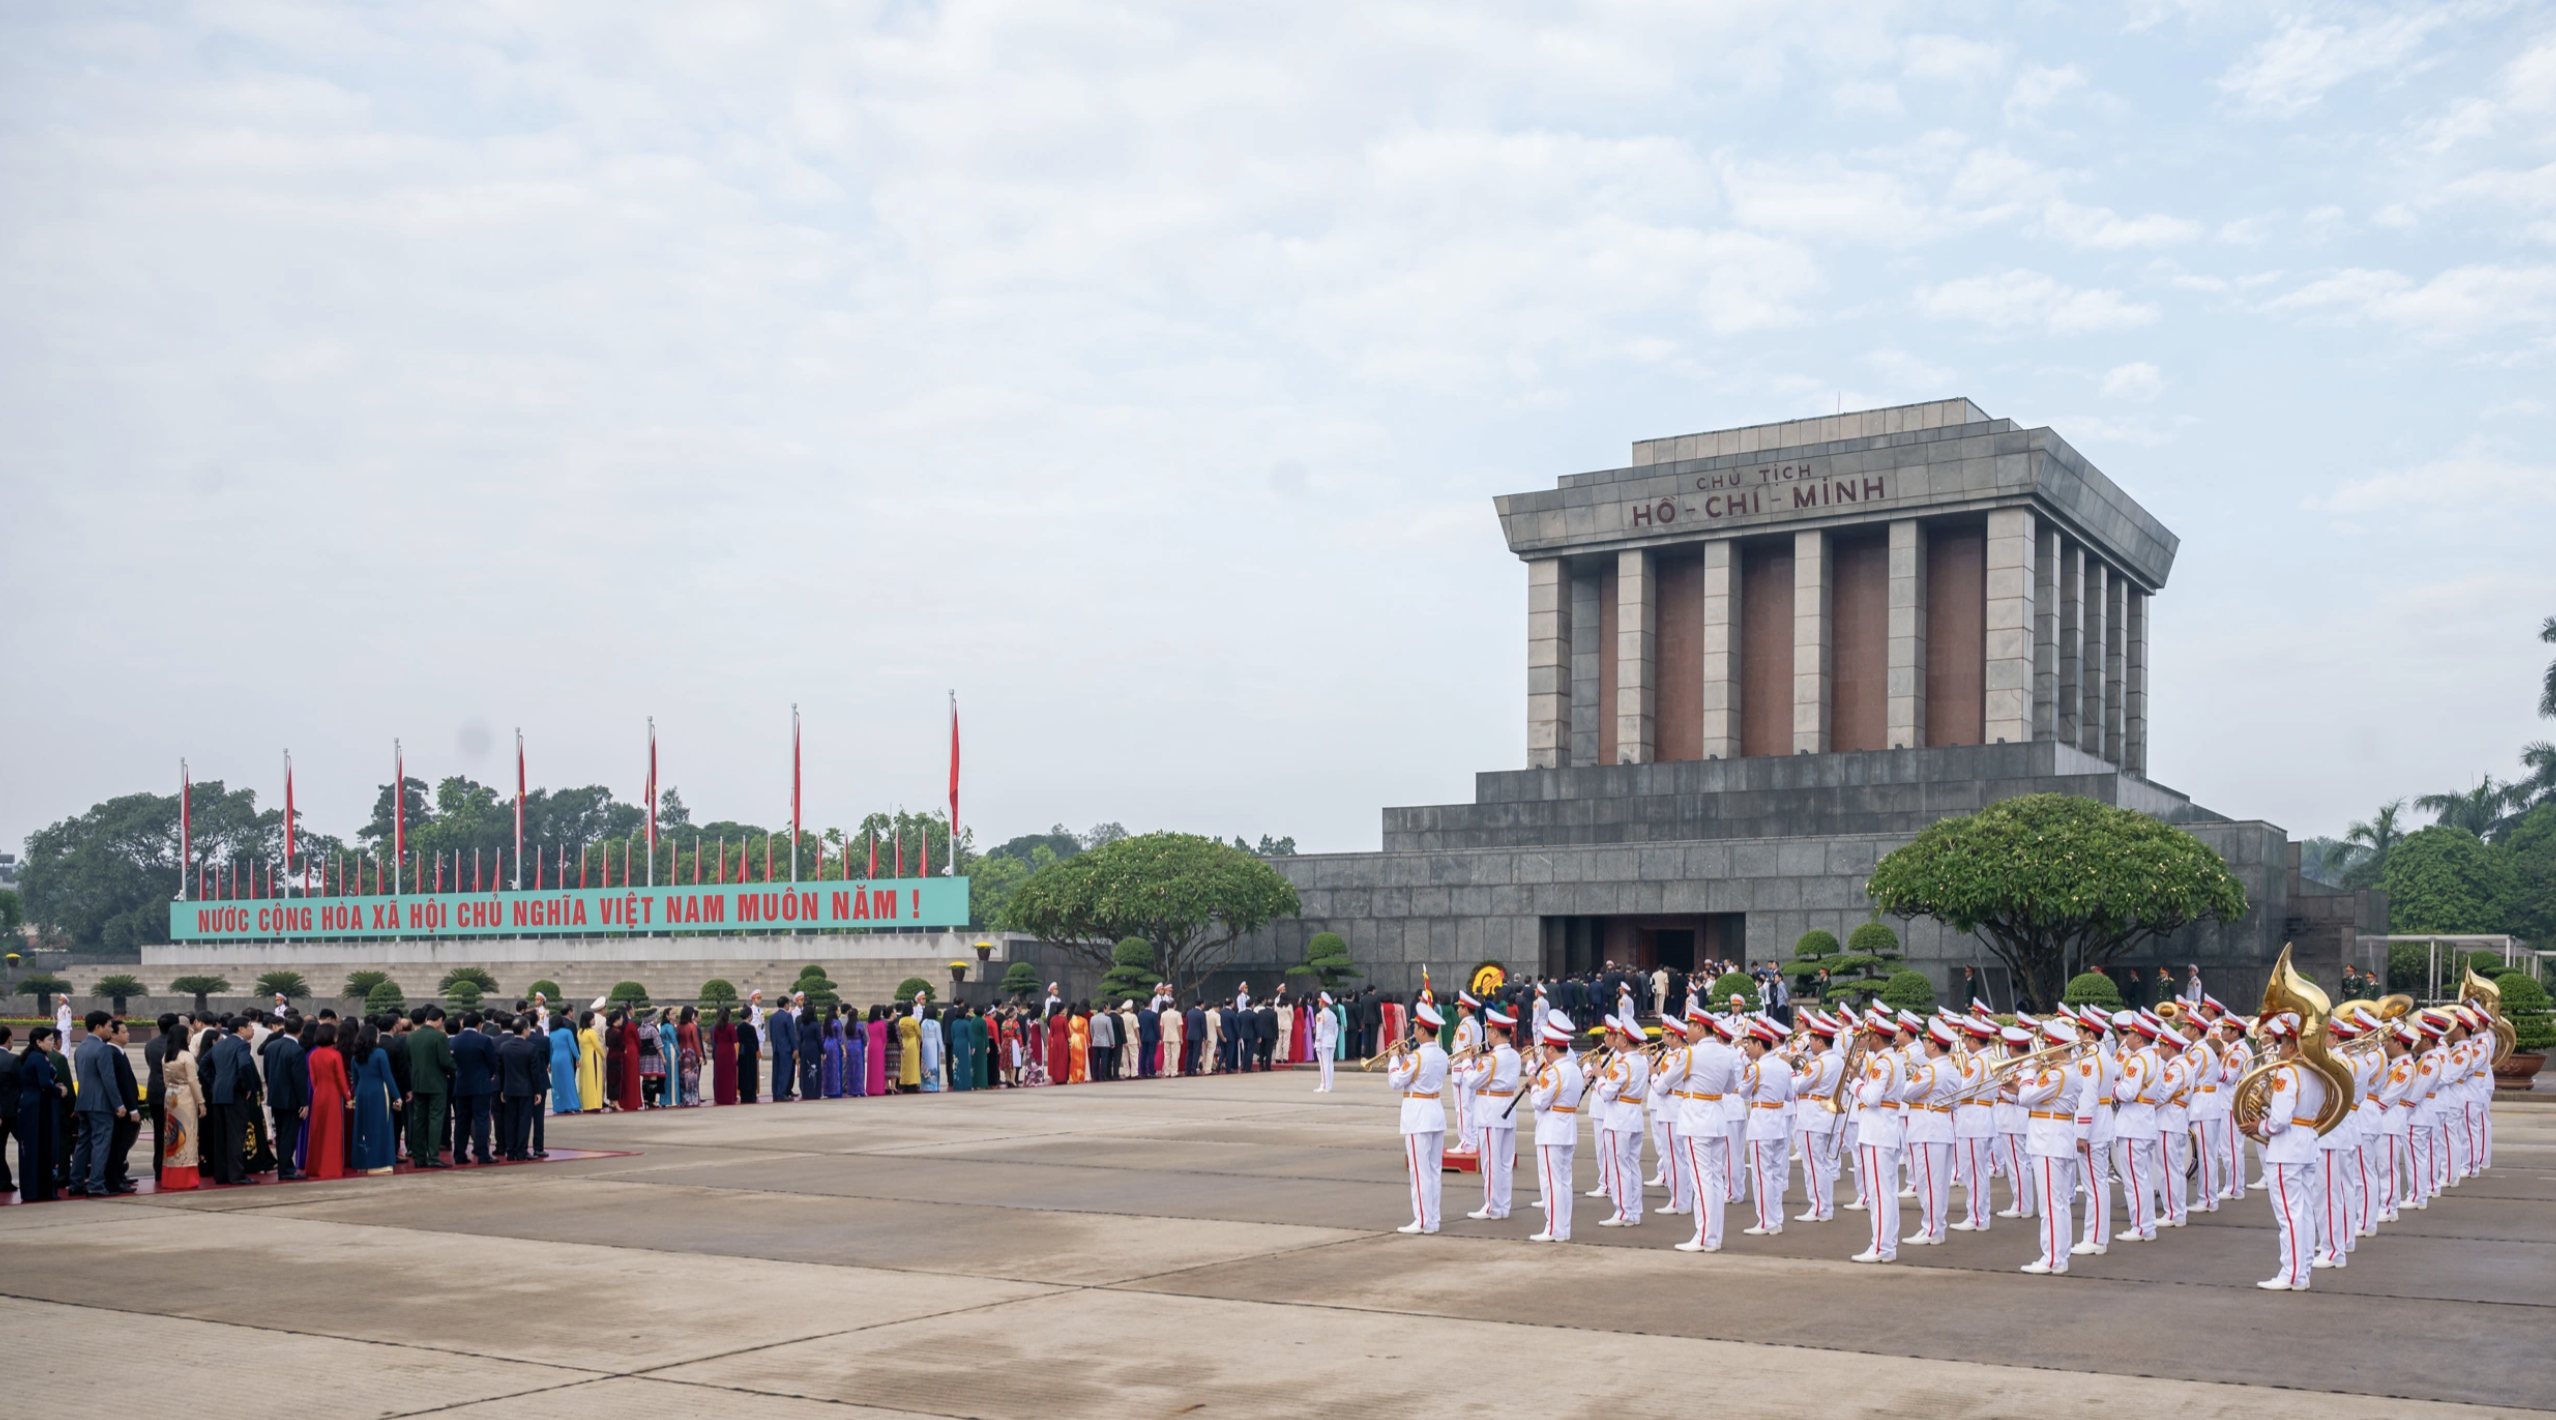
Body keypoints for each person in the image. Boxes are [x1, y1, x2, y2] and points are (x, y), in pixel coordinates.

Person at [2253, 1012, 2328, 1290]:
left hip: (2288, 1148)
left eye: (2283, 1042)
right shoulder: (2316, 1071)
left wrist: (2259, 1126)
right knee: (2303, 1211)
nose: (2280, 1048)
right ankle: (2302, 1269)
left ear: (2293, 1046)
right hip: (2306, 1142)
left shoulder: (2289, 1072)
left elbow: (2280, 1119)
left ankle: (2292, 1273)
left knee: (2289, 1214)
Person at [2013, 1017, 2083, 1275]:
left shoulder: (2057, 1074)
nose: (2043, 1052)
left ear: (2057, 1047)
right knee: (2059, 1203)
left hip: (2048, 1140)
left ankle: (2052, 1257)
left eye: (2047, 1046)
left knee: (2050, 1204)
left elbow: (2025, 1097)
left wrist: (2028, 1072)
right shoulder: (2068, 1072)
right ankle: (2059, 1254)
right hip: (2056, 1137)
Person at [1385, 999, 1450, 1235]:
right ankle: (1432, 1218)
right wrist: (1403, 1057)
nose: (1413, 1031)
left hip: (1418, 1116)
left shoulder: (1416, 1058)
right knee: (1433, 1170)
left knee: (1419, 1171)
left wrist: (1394, 1057)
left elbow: (1395, 1081)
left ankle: (1422, 1219)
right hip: (1435, 1112)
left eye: (1416, 1028)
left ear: (1423, 1030)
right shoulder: (1442, 1055)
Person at [1526, 1013, 1585, 1243]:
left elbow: (1540, 1102)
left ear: (1551, 1049)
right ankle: (1562, 1227)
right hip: (1567, 1127)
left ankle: (1554, 1228)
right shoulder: (1573, 1069)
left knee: (1551, 1182)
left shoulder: (1553, 1072)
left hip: (1551, 1129)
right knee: (1563, 1181)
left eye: (1544, 1048)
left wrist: (1533, 1086)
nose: (1543, 1052)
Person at [1463, 1006, 1523, 1221]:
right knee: (1505, 1162)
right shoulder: (1514, 1055)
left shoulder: (1491, 1059)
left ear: (1495, 1033)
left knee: (1491, 1162)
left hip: (1490, 1111)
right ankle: (1503, 1205)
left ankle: (1492, 1206)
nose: (1487, 1034)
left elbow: (1471, 1081)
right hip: (1507, 1108)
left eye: (1489, 1030)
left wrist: (1466, 1061)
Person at [406, 1006, 456, 1169]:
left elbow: (408, 1060)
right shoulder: (439, 1037)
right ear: (440, 1020)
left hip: (418, 1083)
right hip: (436, 1084)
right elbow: (445, 1062)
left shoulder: (411, 1037)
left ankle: (419, 1156)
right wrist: (455, 1070)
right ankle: (433, 1155)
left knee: (418, 1119)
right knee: (435, 1119)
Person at [158, 1023, 204, 1191]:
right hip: (185, 1096)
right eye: (188, 1034)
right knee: (187, 1134)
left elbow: (165, 1079)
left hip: (171, 1095)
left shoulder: (167, 1056)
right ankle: (186, 1176)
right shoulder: (187, 1056)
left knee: (171, 1133)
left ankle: (171, 1176)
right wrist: (201, 1102)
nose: (190, 1037)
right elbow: (193, 1081)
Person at [304, 1022, 350, 1180]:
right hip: (332, 1094)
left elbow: (313, 1078)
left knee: (318, 1131)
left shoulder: (313, 1054)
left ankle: (315, 1166)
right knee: (333, 1132)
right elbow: (341, 1079)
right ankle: (331, 1166)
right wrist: (348, 1097)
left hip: (319, 1094)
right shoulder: (335, 1055)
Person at [551, 1013, 583, 1113]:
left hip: (554, 1059)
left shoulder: (551, 1034)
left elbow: (550, 1050)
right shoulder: (567, 1032)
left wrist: (549, 1063)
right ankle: (572, 1105)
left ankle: (559, 1106)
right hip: (565, 1058)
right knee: (569, 1081)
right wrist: (577, 1057)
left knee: (557, 1083)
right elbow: (572, 1046)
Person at [767, 998, 799, 1102]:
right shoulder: (787, 1016)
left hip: (776, 1047)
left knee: (776, 1071)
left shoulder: (773, 1017)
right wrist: (795, 1047)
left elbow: (771, 1033)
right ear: (786, 1004)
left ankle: (775, 1093)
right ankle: (781, 1093)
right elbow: (791, 1034)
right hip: (786, 1048)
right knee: (785, 1071)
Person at [0, 1027, 18, 1197]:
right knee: (27, 1144)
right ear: (9, 1039)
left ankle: (3, 1181)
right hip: (14, 1111)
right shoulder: (13, 1060)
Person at [1312, 993, 1340, 1092]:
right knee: (1330, 1064)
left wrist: (1317, 1043)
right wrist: (1334, 1040)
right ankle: (1329, 1085)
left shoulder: (1320, 1015)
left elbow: (1319, 1031)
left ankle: (1324, 1085)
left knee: (1323, 1065)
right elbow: (1336, 1029)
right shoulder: (1333, 1015)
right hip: (1331, 1040)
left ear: (1323, 1003)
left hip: (1323, 1041)